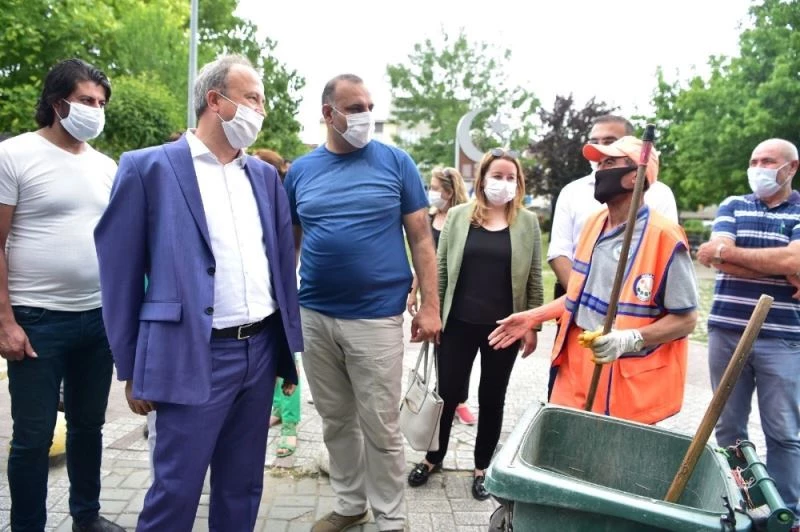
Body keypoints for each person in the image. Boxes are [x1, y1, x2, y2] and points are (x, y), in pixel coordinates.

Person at [94, 55, 303, 531]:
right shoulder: (147, 168)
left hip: (259, 351)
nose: (261, 110)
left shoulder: (265, 177)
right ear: (216, 100)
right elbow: (119, 275)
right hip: (191, 353)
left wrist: (287, 352)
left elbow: (280, 266)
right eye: (253, 98)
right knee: (175, 490)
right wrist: (132, 367)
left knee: (242, 486)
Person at [284, 73, 440, 532]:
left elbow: (422, 239)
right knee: (336, 420)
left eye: (369, 107)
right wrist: (285, 307)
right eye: (354, 108)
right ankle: (351, 504)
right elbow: (290, 244)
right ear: (327, 114)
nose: (365, 116)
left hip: (375, 319)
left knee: (381, 425)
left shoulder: (396, 162)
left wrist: (431, 306)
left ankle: (391, 518)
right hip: (314, 315)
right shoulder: (301, 172)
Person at [489, 136, 698, 425]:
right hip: (574, 368)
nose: (599, 170)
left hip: (625, 382)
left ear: (635, 176)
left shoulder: (665, 237)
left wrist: (631, 339)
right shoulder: (594, 224)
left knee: (604, 451)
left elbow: (686, 320)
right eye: (599, 163)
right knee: (565, 444)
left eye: (609, 163)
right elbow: (579, 295)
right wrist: (534, 316)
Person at [0, 58, 123, 532]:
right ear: (57, 103)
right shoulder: (14, 155)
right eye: (86, 100)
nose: (96, 110)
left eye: (101, 103)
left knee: (89, 428)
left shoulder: (107, 167)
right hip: (36, 323)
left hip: (97, 319)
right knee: (32, 437)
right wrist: (5, 322)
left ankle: (86, 517)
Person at [407, 149, 543, 500]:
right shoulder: (458, 216)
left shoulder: (527, 222)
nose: (504, 183)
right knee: (447, 394)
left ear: (518, 183)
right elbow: (439, 269)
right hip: (458, 324)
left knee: (493, 397)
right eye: (497, 176)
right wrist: (432, 312)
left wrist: (532, 323)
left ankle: (482, 466)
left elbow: (534, 277)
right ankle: (433, 457)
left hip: (504, 329)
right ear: (482, 179)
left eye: (511, 177)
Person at [696, 138, 800, 520]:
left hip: (783, 337)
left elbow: (795, 260)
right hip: (727, 331)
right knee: (728, 428)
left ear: (791, 168)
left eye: (767, 161)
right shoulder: (732, 204)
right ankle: (744, 505)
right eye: (754, 161)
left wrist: (730, 255)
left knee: (784, 431)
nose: (757, 168)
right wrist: (780, 266)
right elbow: (712, 254)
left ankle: (786, 513)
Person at [406, 166, 476, 425]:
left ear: (449, 191)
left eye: (435, 188)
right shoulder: (430, 217)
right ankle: (440, 396)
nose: (431, 193)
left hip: (458, 294)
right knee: (437, 345)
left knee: (459, 351)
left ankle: (459, 399)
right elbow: (422, 258)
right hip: (432, 293)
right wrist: (414, 292)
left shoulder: (465, 218)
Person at [253, 147, 301, 458]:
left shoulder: (283, 201)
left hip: (282, 293)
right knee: (268, 362)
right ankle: (278, 411)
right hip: (257, 300)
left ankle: (290, 426)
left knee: (288, 363)